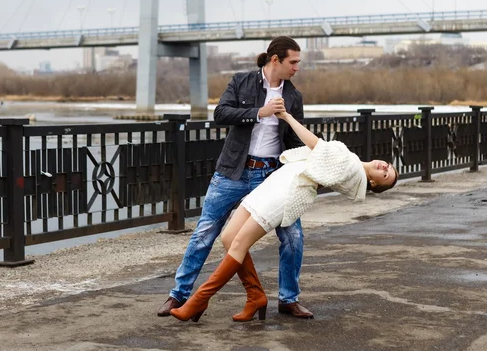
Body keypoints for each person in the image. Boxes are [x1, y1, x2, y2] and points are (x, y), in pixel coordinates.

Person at [170, 110, 399, 322]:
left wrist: (287, 117)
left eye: (386, 175)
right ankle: (255, 296)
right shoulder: (354, 162)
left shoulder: (353, 170)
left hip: (288, 193)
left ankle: (198, 300)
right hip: (279, 182)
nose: (384, 167)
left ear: (373, 183)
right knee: (229, 238)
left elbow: (316, 145)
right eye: (388, 166)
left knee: (239, 243)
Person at [158, 36, 314, 321]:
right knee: (205, 232)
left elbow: (293, 141)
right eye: (293, 62)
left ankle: (288, 299)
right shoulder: (241, 82)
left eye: (298, 63)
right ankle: (178, 295)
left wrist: (302, 166)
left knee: (293, 236)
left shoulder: (294, 97)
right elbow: (220, 113)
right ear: (275, 60)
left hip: (271, 177)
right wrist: (259, 112)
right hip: (233, 171)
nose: (296, 68)